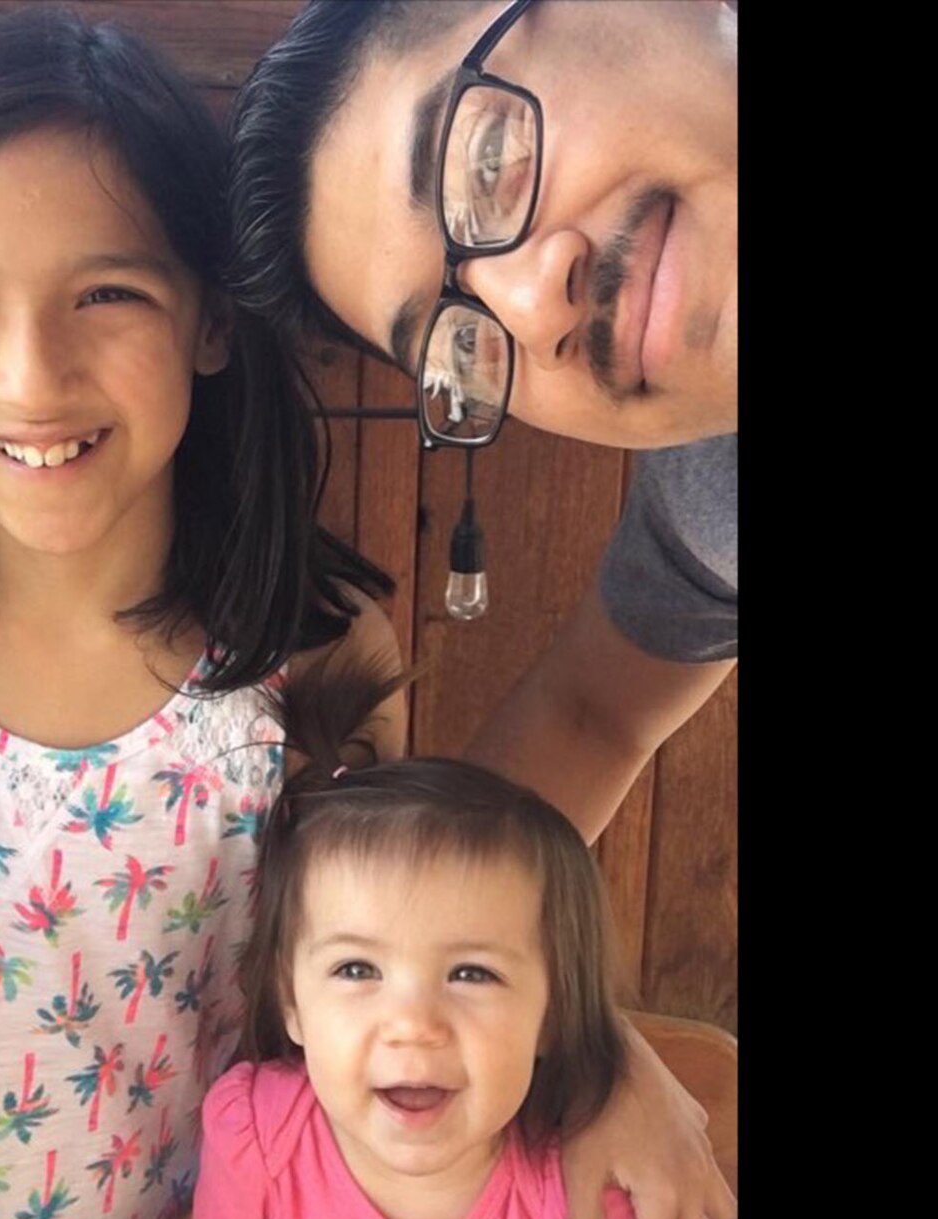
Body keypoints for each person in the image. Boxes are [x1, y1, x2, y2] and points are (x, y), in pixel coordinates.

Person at [0, 10, 719, 1219]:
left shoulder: (306, 654)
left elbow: (411, 935)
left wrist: (601, 1049)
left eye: (108, 291)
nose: (33, 370)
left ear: (211, 323)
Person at [228, 0, 737, 849]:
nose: (536, 309)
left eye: (487, 158)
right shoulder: (713, 506)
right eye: (455, 345)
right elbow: (592, 716)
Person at [193, 659, 736, 1219]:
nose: (413, 1024)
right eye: (358, 969)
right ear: (292, 1001)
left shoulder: (583, 1196)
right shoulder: (259, 1131)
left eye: (471, 974)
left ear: (552, 1015)